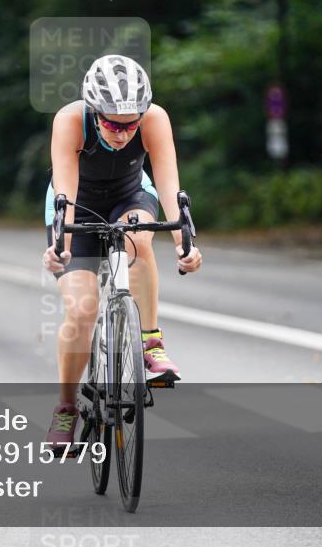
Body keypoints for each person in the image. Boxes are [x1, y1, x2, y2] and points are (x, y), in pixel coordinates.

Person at [40, 55, 203, 447]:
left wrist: (184, 244)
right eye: (111, 123)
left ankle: (151, 343)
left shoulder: (154, 119)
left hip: (131, 194)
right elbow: (66, 192)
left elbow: (168, 186)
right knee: (81, 310)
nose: (121, 132)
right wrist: (60, 248)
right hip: (77, 201)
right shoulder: (69, 120)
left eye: (130, 124)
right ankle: (66, 409)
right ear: (94, 111)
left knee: (137, 237)